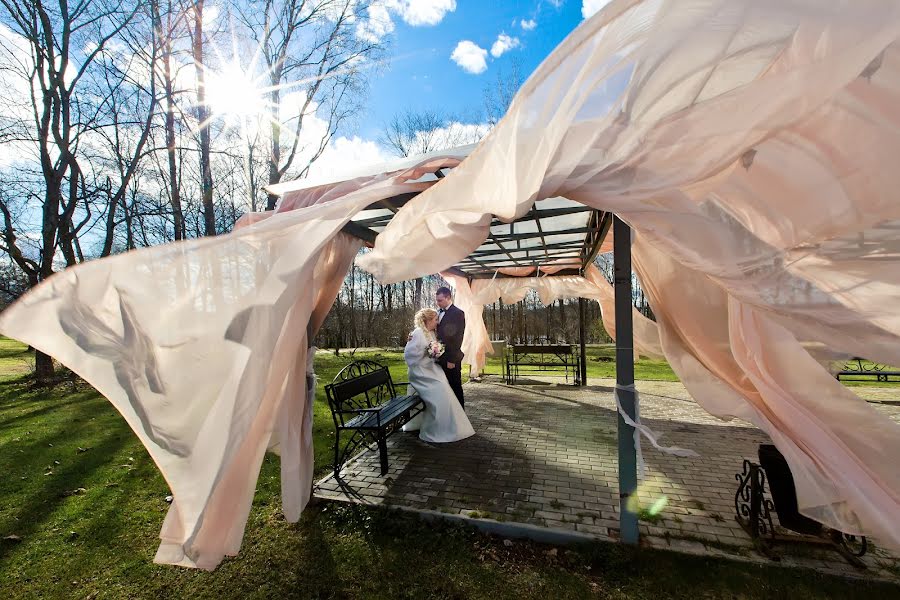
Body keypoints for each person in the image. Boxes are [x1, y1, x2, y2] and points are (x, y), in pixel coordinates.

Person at [402, 308, 474, 443]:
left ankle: (449, 426)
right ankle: (436, 428)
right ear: (428, 320)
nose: (437, 322)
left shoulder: (432, 333)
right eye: (435, 320)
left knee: (444, 385)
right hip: (419, 372)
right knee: (439, 388)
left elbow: (437, 348)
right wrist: (427, 354)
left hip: (431, 368)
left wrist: (434, 354)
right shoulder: (417, 333)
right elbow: (409, 356)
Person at [435, 286, 466, 409]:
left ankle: (460, 414)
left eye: (440, 300)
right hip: (440, 357)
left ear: (448, 298)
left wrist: (452, 360)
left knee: (455, 386)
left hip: (451, 358)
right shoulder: (437, 312)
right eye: (437, 300)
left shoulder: (458, 313)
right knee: (444, 387)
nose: (437, 303)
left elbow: (458, 337)